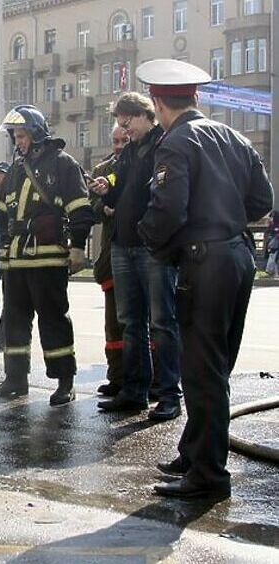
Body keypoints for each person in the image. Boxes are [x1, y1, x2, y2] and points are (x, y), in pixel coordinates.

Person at [135, 59, 273, 499]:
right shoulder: (232, 136)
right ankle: (195, 452)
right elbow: (262, 200)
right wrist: (226, 222)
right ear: (195, 98)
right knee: (215, 364)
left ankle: (209, 476)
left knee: (202, 370)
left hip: (205, 263)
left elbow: (168, 209)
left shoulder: (176, 141)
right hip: (237, 256)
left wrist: (150, 239)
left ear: (158, 103)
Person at [91, 92, 182, 422]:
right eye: (119, 124)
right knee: (130, 323)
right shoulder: (129, 153)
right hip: (122, 245)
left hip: (151, 248)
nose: (123, 129)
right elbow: (121, 187)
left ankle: (170, 395)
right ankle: (134, 391)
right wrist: (106, 187)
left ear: (146, 115)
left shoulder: (165, 145)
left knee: (162, 322)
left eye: (127, 123)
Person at [0, 105, 94, 404]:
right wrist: (0, 251)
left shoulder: (63, 164)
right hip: (15, 261)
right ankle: (15, 378)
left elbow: (81, 209)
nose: (18, 142)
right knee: (14, 320)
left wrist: (77, 246)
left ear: (36, 133)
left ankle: (65, 382)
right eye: (15, 137)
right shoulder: (14, 170)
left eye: (22, 135)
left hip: (48, 259)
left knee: (53, 319)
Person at [88, 123, 129, 397]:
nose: (118, 146)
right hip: (112, 254)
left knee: (144, 324)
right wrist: (104, 207)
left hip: (142, 252)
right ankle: (116, 378)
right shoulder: (102, 170)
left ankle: (154, 380)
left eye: (123, 140)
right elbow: (90, 203)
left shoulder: (146, 164)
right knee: (113, 322)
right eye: (114, 141)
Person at [0, 161, 12, 348]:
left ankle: (3, 337)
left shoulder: (12, 200)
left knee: (10, 298)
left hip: (7, 254)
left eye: (1, 179)